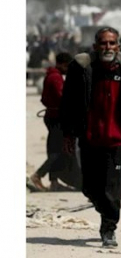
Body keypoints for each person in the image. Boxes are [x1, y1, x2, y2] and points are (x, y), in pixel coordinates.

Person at [60, 26, 121, 247]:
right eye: (103, 43)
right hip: (90, 137)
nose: (108, 47)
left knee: (111, 187)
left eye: (112, 43)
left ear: (119, 46)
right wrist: (68, 133)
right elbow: (68, 102)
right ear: (95, 46)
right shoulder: (82, 68)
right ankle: (105, 211)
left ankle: (109, 227)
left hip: (117, 140)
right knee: (90, 187)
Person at [30, 52, 76, 191]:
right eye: (67, 66)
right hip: (57, 118)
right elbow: (62, 97)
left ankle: (54, 181)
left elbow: (44, 99)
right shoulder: (55, 77)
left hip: (52, 115)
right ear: (62, 64)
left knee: (55, 150)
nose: (68, 69)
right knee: (58, 151)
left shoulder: (51, 75)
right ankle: (38, 175)